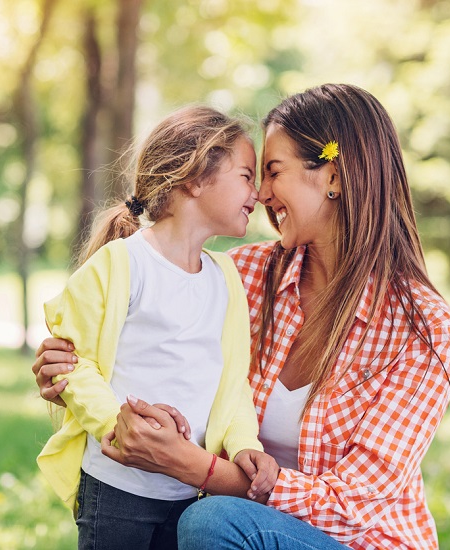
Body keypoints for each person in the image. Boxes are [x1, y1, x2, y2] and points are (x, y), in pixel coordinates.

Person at [34, 84, 450, 549]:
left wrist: (194, 466)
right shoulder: (238, 277)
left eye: (273, 172)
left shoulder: (424, 328)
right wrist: (73, 370)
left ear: (334, 177)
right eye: (253, 176)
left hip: (360, 540)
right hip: (242, 526)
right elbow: (145, 352)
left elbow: (355, 505)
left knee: (211, 521)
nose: (261, 194)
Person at [36, 105, 279, 550]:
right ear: (196, 178)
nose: (259, 193)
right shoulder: (121, 263)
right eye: (247, 175)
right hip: (116, 487)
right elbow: (73, 364)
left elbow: (232, 386)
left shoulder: (226, 277)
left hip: (187, 495)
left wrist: (245, 444)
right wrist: (118, 427)